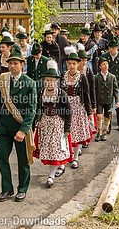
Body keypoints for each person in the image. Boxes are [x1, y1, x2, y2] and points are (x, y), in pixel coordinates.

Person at [0, 49, 37, 203]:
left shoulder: (30, 83)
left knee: (23, 160)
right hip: (4, 125)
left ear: (22, 65)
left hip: (20, 126)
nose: (12, 66)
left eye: (16, 63)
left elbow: (31, 109)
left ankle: (22, 189)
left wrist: (23, 131)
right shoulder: (3, 80)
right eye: (10, 63)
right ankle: (7, 188)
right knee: (1, 156)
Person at [32, 60, 72, 188]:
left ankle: (51, 176)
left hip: (57, 123)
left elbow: (68, 111)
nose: (49, 83)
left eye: (52, 80)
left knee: (55, 149)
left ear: (56, 81)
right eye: (47, 80)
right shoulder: (40, 93)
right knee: (48, 149)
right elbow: (37, 108)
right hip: (45, 123)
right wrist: (34, 124)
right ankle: (60, 165)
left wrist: (67, 128)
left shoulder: (61, 93)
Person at [59, 47, 92, 171]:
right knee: (64, 132)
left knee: (77, 134)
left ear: (78, 64)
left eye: (74, 63)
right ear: (66, 64)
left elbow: (87, 94)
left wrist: (89, 111)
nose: (72, 66)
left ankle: (75, 158)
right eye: (69, 63)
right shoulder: (62, 76)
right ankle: (64, 157)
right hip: (65, 108)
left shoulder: (82, 77)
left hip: (78, 108)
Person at [94, 57, 119, 141]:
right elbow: (94, 89)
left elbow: (116, 90)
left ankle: (105, 132)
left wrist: (117, 100)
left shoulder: (112, 77)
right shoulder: (97, 77)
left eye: (106, 64)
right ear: (99, 66)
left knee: (107, 117)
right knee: (99, 116)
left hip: (109, 100)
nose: (105, 66)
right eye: (103, 64)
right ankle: (99, 132)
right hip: (99, 100)